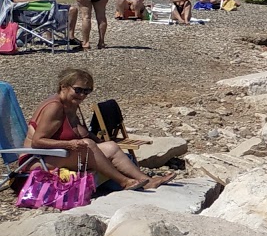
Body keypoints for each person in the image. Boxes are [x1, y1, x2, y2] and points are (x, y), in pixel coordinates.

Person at [26, 68, 174, 191]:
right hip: (37, 160)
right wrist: (69, 144)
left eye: (87, 91)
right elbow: (38, 142)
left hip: (57, 155)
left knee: (110, 146)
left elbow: (81, 132)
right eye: (78, 90)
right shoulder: (55, 107)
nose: (82, 95)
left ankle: (147, 180)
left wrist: (98, 141)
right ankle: (124, 181)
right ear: (63, 86)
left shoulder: (70, 105)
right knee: (89, 145)